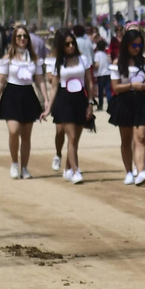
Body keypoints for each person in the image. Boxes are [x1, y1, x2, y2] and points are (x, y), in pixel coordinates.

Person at [0, 24, 46, 179]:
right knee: (13, 131)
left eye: (25, 36)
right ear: (14, 39)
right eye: (19, 36)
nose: (22, 39)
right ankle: (14, 163)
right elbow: (1, 81)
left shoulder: (34, 59)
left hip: (28, 95)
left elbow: (40, 81)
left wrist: (46, 100)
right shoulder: (7, 59)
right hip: (11, 95)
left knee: (26, 135)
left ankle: (25, 167)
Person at [108, 27, 145, 185]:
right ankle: (129, 171)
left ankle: (141, 172)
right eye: (134, 45)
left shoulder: (144, 62)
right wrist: (131, 85)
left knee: (141, 137)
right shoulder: (118, 63)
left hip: (142, 102)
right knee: (126, 139)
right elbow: (115, 88)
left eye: (139, 46)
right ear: (126, 45)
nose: (137, 49)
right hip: (125, 102)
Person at [45, 30, 95, 184]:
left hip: (80, 99)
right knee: (71, 137)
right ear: (61, 46)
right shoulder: (58, 63)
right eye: (67, 44)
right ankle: (76, 171)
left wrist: (91, 103)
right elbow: (53, 87)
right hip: (64, 100)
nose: (71, 46)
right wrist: (48, 109)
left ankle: (67, 169)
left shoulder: (83, 59)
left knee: (75, 140)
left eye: (73, 43)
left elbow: (89, 82)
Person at [92, 38, 112, 110]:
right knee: (108, 90)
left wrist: (93, 67)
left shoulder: (97, 54)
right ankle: (110, 105)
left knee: (100, 91)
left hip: (100, 74)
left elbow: (97, 65)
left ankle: (100, 105)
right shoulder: (105, 54)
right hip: (107, 73)